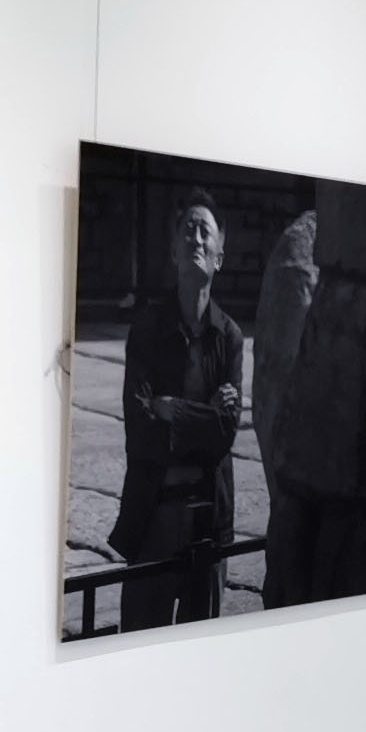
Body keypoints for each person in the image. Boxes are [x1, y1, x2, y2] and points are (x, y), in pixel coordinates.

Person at [109, 191, 246, 630]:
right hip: (154, 514)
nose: (196, 237)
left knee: (200, 648)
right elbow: (140, 431)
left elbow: (226, 432)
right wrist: (204, 414)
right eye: (188, 229)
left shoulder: (230, 337)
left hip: (209, 517)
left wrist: (172, 409)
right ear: (173, 252)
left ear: (219, 256)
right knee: (138, 644)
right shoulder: (147, 330)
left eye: (205, 231)